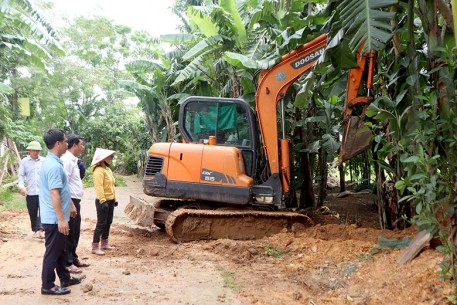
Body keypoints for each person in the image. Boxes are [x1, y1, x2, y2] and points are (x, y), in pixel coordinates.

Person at [39, 129, 81, 295]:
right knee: (53, 252)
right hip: (54, 219)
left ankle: (65, 277)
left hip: (58, 216)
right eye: (65, 141)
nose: (67, 144)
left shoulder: (55, 162)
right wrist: (61, 220)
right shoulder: (53, 166)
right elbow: (54, 193)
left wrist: (70, 204)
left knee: (61, 249)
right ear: (57, 143)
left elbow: (63, 189)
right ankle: (47, 285)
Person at [61, 134, 90, 274]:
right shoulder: (66, 160)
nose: (83, 147)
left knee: (75, 231)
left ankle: (73, 258)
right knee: (70, 233)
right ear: (74, 145)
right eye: (81, 144)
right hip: (70, 200)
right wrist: (70, 203)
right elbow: (64, 182)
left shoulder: (74, 160)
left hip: (75, 200)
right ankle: (67, 262)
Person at [90, 148, 117, 255]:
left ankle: (104, 243)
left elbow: (112, 186)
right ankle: (95, 246)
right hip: (103, 201)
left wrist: (115, 199)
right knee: (101, 223)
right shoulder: (98, 171)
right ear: (102, 159)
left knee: (108, 222)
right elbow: (99, 187)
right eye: (109, 157)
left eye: (111, 157)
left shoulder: (108, 170)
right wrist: (102, 200)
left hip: (110, 200)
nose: (111, 159)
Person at [18, 140, 45, 239]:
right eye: (33, 150)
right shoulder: (24, 162)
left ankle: (41, 229)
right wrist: (21, 187)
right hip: (30, 192)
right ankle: (35, 229)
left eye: (37, 150)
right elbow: (21, 176)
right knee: (32, 212)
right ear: (29, 150)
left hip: (43, 192)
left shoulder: (44, 161)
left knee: (43, 211)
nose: (35, 152)